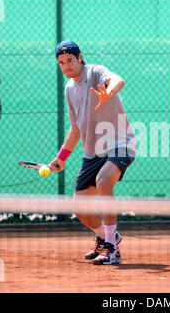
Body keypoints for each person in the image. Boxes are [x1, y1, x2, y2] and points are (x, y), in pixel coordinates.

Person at [50, 40, 136, 265]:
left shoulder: (96, 72)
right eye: (61, 63)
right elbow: (76, 128)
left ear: (80, 58)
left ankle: (112, 249)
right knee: (80, 209)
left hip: (119, 143)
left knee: (104, 181)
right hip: (92, 152)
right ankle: (106, 236)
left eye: (69, 60)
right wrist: (61, 158)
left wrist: (109, 90)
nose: (66, 66)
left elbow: (118, 80)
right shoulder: (69, 89)